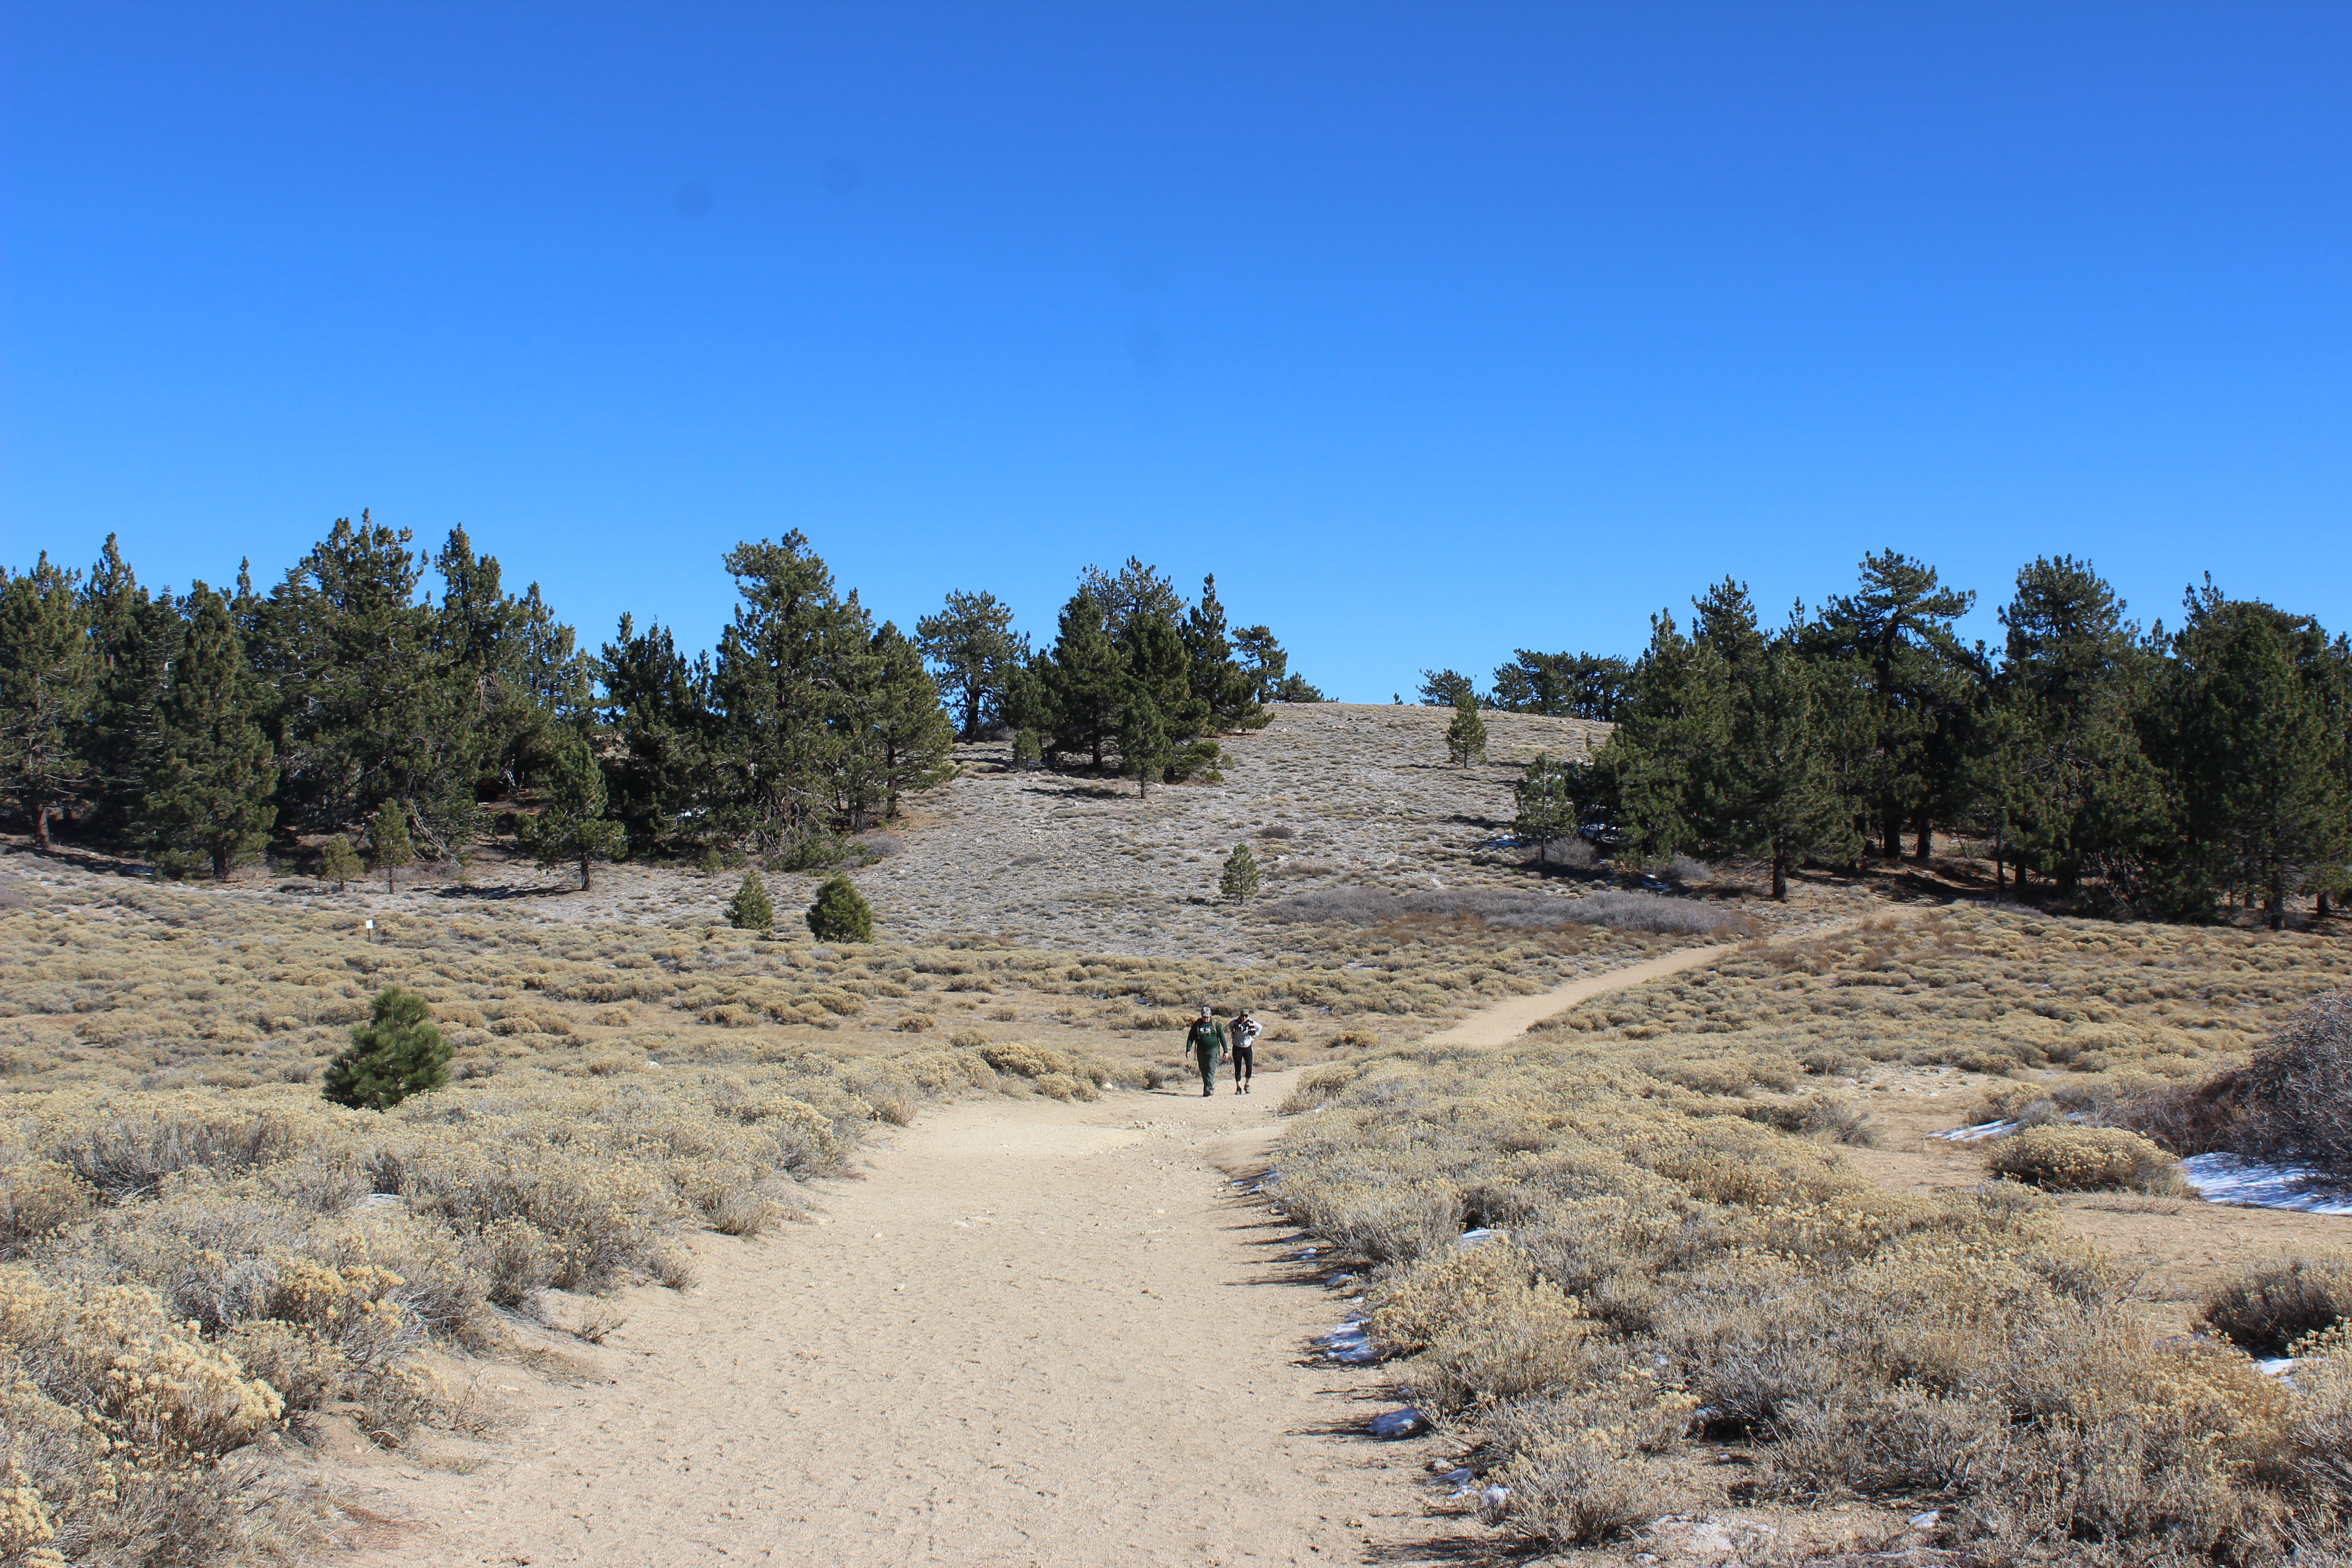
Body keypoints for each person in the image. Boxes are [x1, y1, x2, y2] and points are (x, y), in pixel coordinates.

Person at [1183, 1004, 1226, 1097]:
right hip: (1201, 1051)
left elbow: (1222, 1038)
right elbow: (1191, 1038)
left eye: (1207, 1017)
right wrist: (1188, 1050)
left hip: (1213, 1050)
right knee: (1203, 1070)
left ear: (1210, 1015)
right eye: (1204, 1017)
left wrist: (1226, 1051)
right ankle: (1207, 1087)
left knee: (1211, 1069)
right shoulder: (1197, 1025)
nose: (1206, 1019)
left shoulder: (1216, 1025)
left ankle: (1209, 1088)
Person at [1230, 1009, 1262, 1094]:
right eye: (1243, 1016)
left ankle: (1247, 1084)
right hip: (1237, 1047)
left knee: (1249, 1067)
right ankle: (1238, 1087)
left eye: (1246, 1016)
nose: (1244, 1018)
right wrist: (1233, 1033)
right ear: (1240, 1016)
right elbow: (1230, 1025)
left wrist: (1254, 1037)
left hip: (1247, 1048)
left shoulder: (1252, 1023)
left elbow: (1260, 1027)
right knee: (1238, 1068)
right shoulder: (1236, 1023)